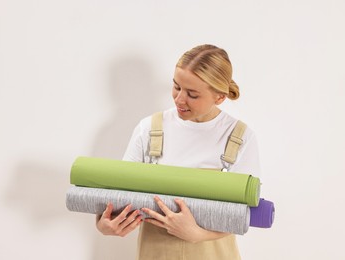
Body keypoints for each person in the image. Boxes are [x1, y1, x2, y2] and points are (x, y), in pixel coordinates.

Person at [96, 44, 261, 259]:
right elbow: (118, 194)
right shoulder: (149, 129)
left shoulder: (239, 137)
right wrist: (104, 224)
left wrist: (197, 234)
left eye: (192, 94)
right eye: (176, 87)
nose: (179, 99)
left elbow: (245, 214)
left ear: (219, 97)